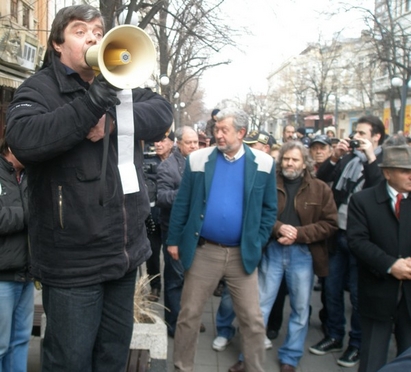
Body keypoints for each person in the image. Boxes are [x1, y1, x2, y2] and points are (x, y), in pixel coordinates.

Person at [5, 5, 173, 372]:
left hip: (124, 256)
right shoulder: (41, 88)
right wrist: (92, 104)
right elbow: (24, 140)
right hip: (73, 265)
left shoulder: (121, 82)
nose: (94, 38)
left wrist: (111, 120)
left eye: (98, 31)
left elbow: (162, 112)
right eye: (81, 31)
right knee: (69, 362)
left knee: (111, 358)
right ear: (56, 44)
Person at [167, 107, 277, 371]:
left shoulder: (263, 163)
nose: (217, 134)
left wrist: (258, 239)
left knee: (252, 319)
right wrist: (173, 239)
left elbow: (269, 209)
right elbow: (182, 203)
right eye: (216, 129)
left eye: (223, 130)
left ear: (241, 132)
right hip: (205, 251)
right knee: (189, 315)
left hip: (242, 254)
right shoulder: (198, 160)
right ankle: (182, 367)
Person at [229, 141, 338, 372]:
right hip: (272, 250)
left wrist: (299, 233)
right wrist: (278, 227)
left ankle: (290, 357)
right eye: (286, 158)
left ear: (304, 163)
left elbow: (330, 224)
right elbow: (255, 212)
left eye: (295, 159)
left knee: (300, 308)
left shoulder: (320, 189)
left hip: (304, 254)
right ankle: (247, 356)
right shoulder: (269, 182)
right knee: (259, 307)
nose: (289, 163)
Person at [309, 115, 385, 368]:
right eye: (356, 134)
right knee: (331, 289)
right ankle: (334, 335)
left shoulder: (383, 161)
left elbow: (379, 189)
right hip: (338, 233)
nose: (357, 139)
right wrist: (335, 156)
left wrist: (371, 157)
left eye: (362, 134)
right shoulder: (349, 159)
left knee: (357, 295)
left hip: (362, 238)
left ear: (376, 137)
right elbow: (322, 179)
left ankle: (357, 344)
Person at [347, 144, 411, 372]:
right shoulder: (363, 201)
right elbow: (358, 242)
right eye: (405, 170)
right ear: (387, 172)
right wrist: (390, 265)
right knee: (372, 358)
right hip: (377, 292)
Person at [156, 126, 199, 337]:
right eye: (189, 142)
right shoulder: (167, 167)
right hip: (175, 232)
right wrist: (185, 193)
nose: (193, 146)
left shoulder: (201, 163)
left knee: (194, 278)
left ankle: (189, 319)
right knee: (176, 279)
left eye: (196, 142)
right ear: (178, 144)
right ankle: (173, 323)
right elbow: (162, 198)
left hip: (197, 232)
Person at [0, 139, 32, 372]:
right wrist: (30, 215)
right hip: (2, 276)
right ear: (11, 147)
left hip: (27, 274)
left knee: (20, 341)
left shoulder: (31, 175)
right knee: (0, 345)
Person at [143, 131, 175, 301]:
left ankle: (173, 290)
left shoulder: (178, 162)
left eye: (162, 140)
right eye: (156, 141)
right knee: (152, 253)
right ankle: (154, 286)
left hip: (170, 217)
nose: (158, 144)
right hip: (152, 215)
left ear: (172, 143)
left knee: (171, 255)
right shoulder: (147, 161)